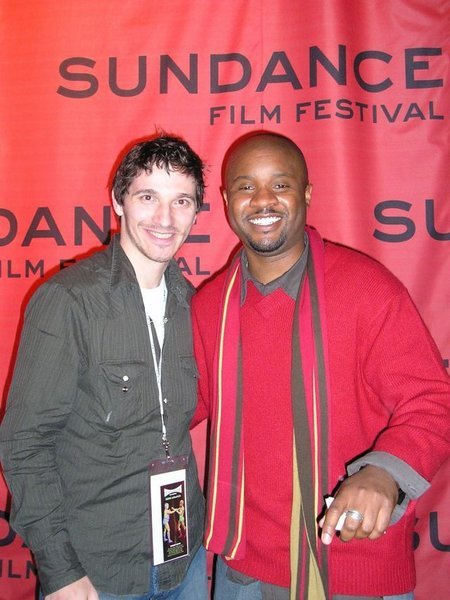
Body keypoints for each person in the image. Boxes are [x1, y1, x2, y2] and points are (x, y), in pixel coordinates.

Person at [191, 131, 450, 600]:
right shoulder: (211, 307)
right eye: (246, 186)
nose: (263, 200)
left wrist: (383, 473)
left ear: (307, 194)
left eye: (281, 185)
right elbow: (178, 405)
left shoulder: (367, 291)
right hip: (241, 573)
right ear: (227, 200)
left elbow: (432, 401)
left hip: (352, 567)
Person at [0, 134, 208, 599]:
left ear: (196, 213)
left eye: (182, 201)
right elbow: (24, 445)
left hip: (184, 560)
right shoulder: (68, 300)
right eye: (148, 196)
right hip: (100, 572)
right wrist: (61, 572)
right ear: (118, 200)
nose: (164, 218)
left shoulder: (193, 305)